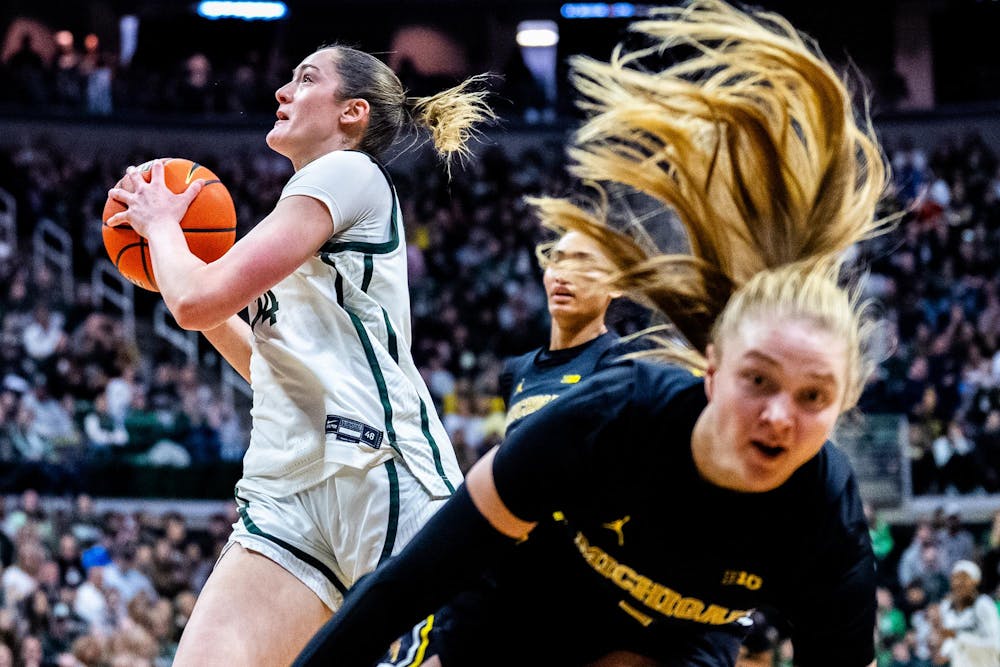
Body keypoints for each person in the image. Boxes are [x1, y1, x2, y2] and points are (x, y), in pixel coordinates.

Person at [294, 1, 888, 665]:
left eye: (814, 396)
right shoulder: (617, 416)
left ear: (842, 405)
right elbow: (410, 584)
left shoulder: (827, 516)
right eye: (758, 379)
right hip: (526, 613)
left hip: (675, 646)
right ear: (712, 367)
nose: (780, 414)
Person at [105, 44, 495, 664]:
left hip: (376, 468)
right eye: (288, 78)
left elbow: (194, 303)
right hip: (286, 486)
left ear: (353, 113)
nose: (283, 91)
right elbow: (264, 364)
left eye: (306, 79)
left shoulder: (349, 173)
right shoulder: (297, 216)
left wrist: (161, 230)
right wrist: (179, 265)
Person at [385, 223, 633, 664]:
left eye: (583, 264)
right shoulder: (517, 371)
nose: (563, 274)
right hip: (507, 569)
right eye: (556, 260)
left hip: (577, 582)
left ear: (615, 285)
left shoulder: (621, 365)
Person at [936, 560, 1000, 667]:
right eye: (955, 578)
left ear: (975, 581)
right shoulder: (946, 606)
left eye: (964, 578)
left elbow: (996, 643)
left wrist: (959, 637)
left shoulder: (983, 604)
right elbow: (946, 643)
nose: (958, 583)